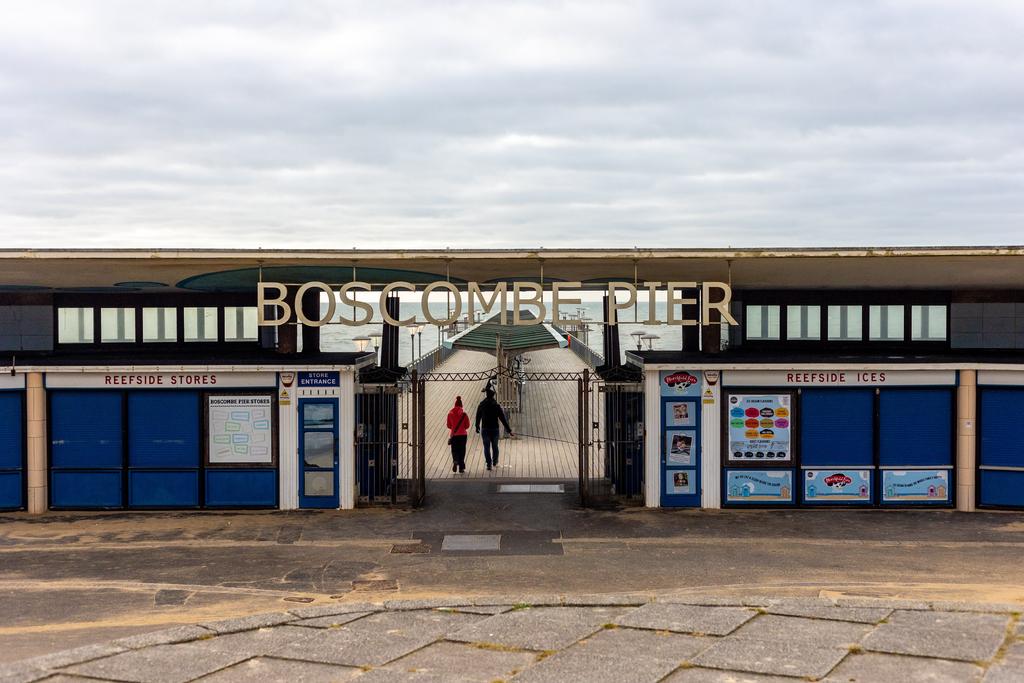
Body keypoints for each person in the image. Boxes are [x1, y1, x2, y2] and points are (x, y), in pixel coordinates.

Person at [475, 387, 513, 471]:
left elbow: (478, 416)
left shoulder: (482, 405)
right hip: (495, 429)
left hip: (485, 429)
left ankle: (488, 464)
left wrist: (477, 426)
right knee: (495, 446)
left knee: (486, 447)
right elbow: (502, 419)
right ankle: (495, 461)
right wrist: (509, 430)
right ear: (493, 396)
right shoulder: (496, 406)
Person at [446, 396, 470, 474]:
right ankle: (461, 468)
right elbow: (467, 425)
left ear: (455, 405)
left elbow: (448, 425)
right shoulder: (464, 414)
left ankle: (455, 461)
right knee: (462, 450)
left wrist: (453, 426)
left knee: (454, 450)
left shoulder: (450, 414)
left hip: (454, 435)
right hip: (463, 435)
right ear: (461, 405)